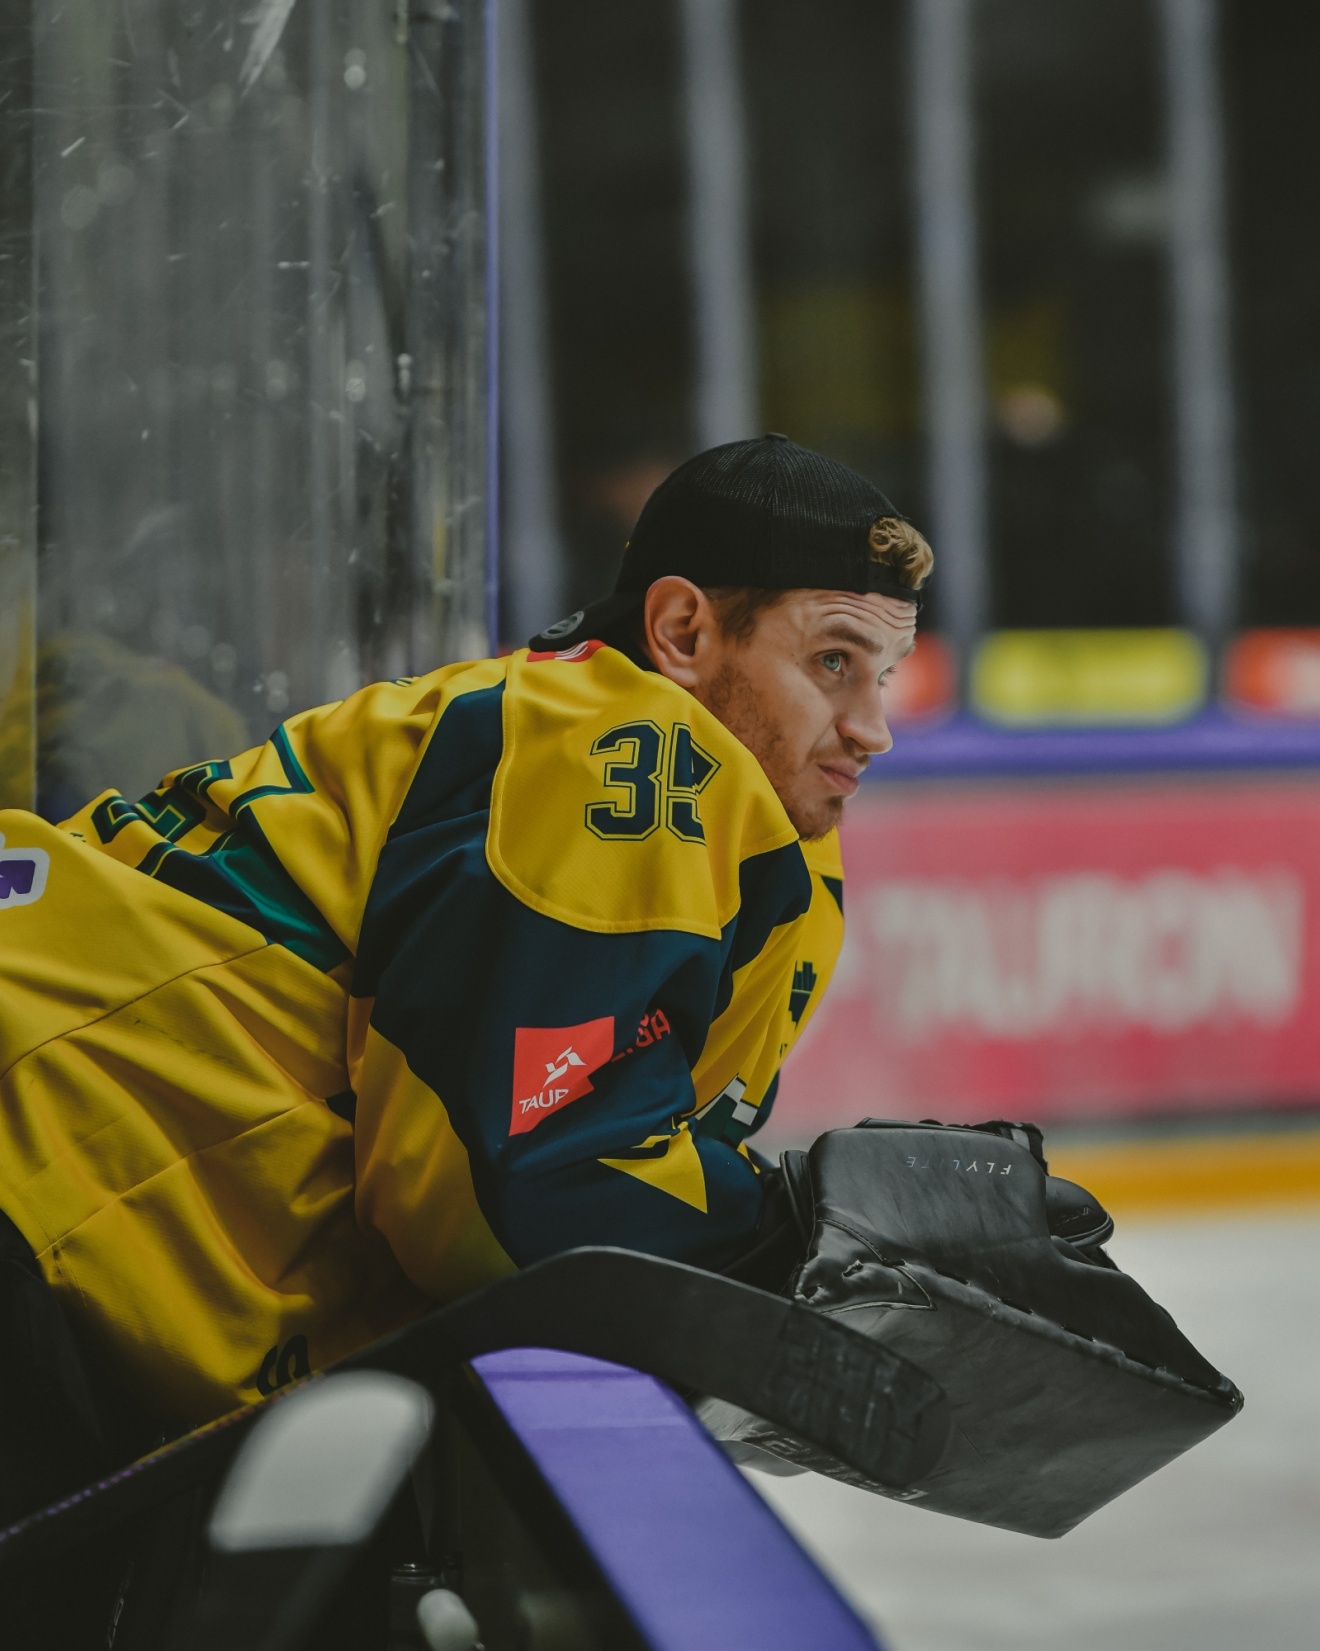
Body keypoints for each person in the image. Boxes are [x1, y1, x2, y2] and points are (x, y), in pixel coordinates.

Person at [0, 434, 931, 1476]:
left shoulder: (652, 782)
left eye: (885, 676)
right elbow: (511, 1194)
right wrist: (820, 1241)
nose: (874, 728)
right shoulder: (629, 750)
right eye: (833, 662)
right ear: (682, 630)